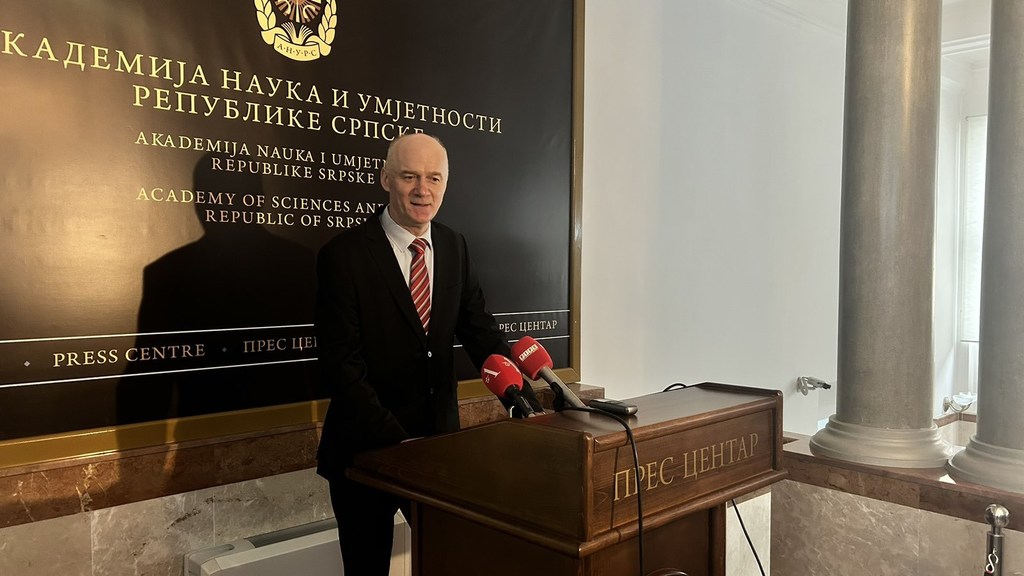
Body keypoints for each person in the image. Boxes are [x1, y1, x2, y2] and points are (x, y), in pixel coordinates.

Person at [314, 132, 540, 575]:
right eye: (409, 176)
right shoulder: (343, 256)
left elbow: (480, 332)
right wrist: (400, 442)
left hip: (439, 450)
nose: (423, 190)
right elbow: (341, 366)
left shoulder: (454, 246)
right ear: (386, 179)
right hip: (367, 452)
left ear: (445, 184)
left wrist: (526, 403)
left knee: (451, 563)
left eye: (434, 178)